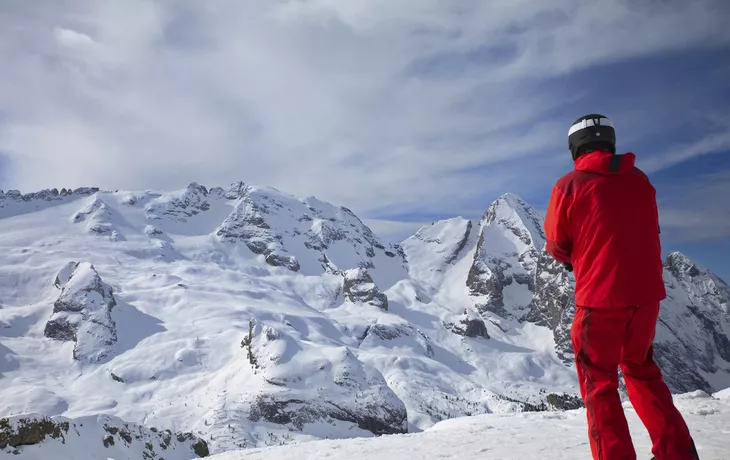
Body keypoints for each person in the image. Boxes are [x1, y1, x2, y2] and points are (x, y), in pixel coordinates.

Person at [543, 114, 699, 460]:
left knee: (599, 385)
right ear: (610, 143)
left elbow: (555, 243)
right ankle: (678, 453)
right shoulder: (641, 181)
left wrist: (578, 257)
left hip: (599, 300)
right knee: (641, 370)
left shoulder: (569, 186)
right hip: (645, 298)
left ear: (574, 148)